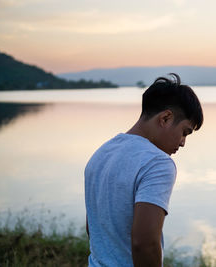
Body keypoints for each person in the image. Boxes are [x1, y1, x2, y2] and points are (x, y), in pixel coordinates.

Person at [84, 73, 203, 267]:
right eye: (184, 132)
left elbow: (93, 227)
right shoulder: (157, 163)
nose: (183, 143)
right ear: (165, 118)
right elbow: (145, 243)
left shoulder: (101, 154)